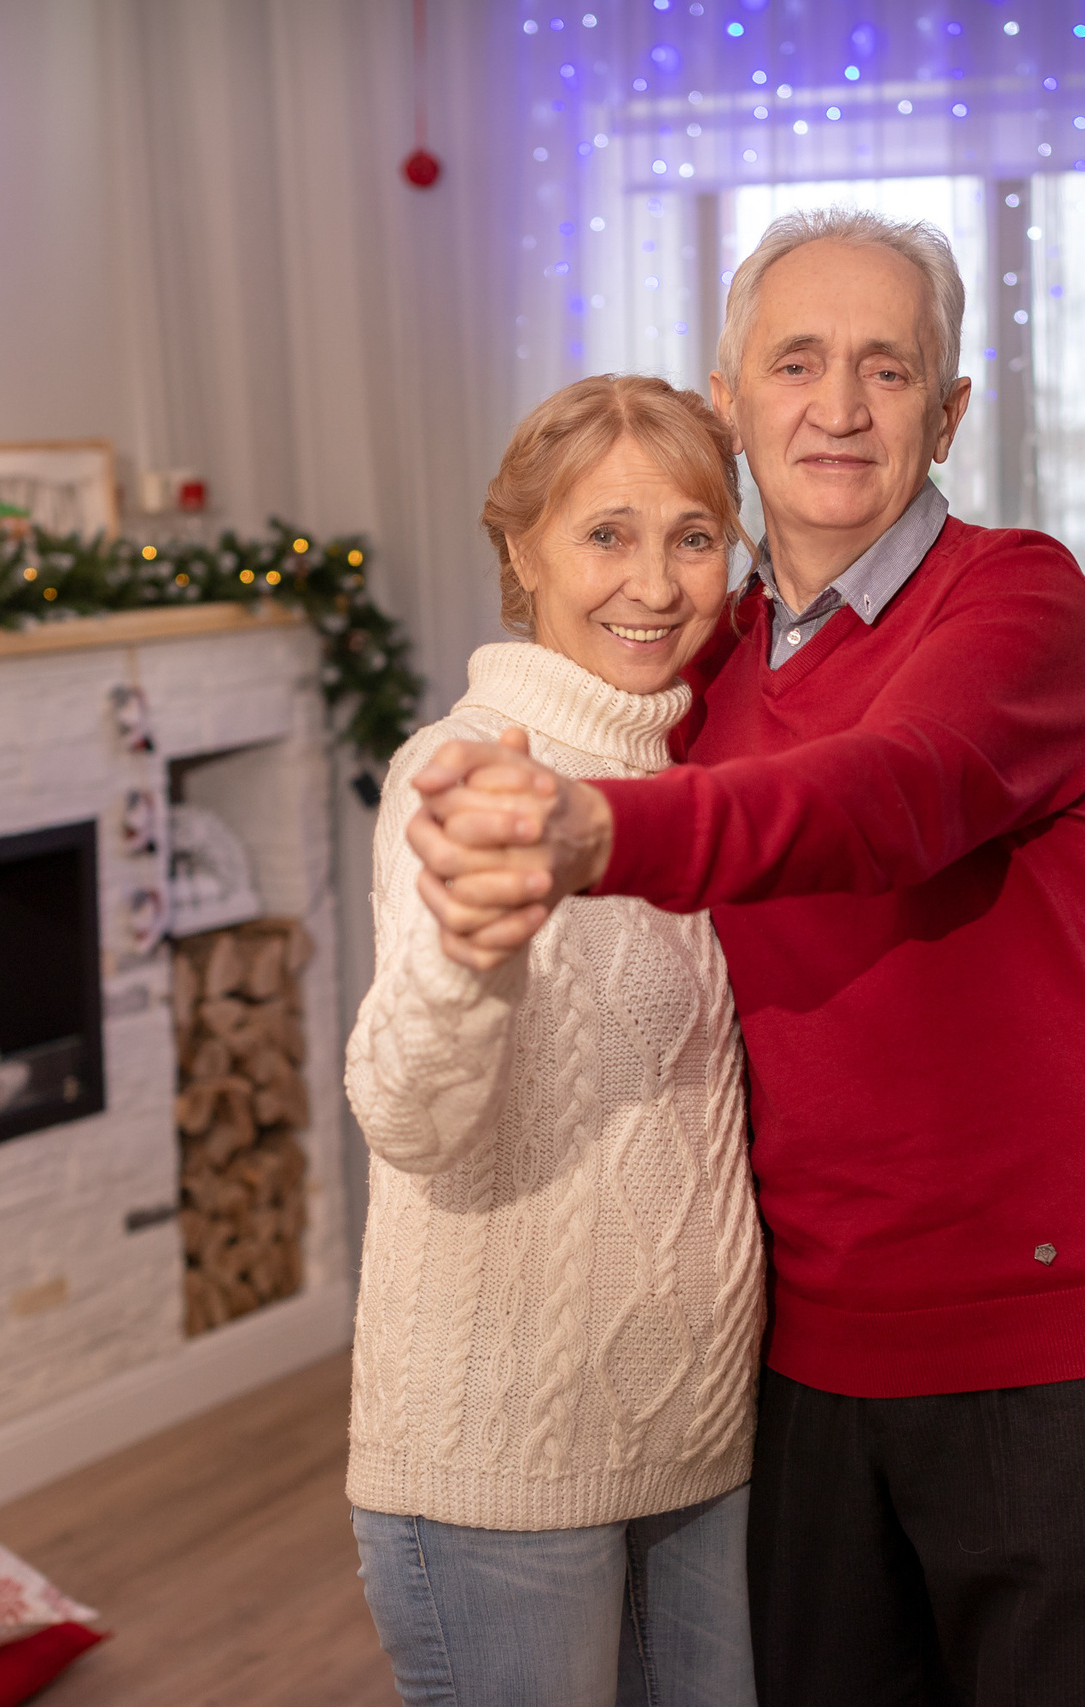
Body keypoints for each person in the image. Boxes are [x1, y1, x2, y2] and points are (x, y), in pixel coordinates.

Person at [407, 208, 1085, 1703]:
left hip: (1069, 1339)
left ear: (951, 409)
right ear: (728, 400)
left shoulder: (1015, 596)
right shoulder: (704, 663)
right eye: (796, 362)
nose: (839, 407)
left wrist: (601, 835)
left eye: (888, 368)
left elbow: (887, 795)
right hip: (812, 1359)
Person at [343, 374, 764, 1707]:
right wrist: (479, 956)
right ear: (523, 549)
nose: (655, 579)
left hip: (700, 1445)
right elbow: (410, 1113)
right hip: (503, 1468)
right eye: (607, 533)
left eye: (694, 535)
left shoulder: (700, 787)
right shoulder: (462, 770)